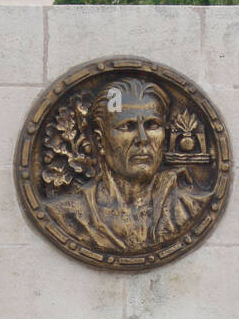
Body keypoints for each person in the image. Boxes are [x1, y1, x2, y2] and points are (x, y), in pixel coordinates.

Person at [42, 77, 209, 255]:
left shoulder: (188, 209)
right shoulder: (68, 215)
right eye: (128, 127)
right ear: (100, 141)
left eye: (152, 125)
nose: (143, 139)